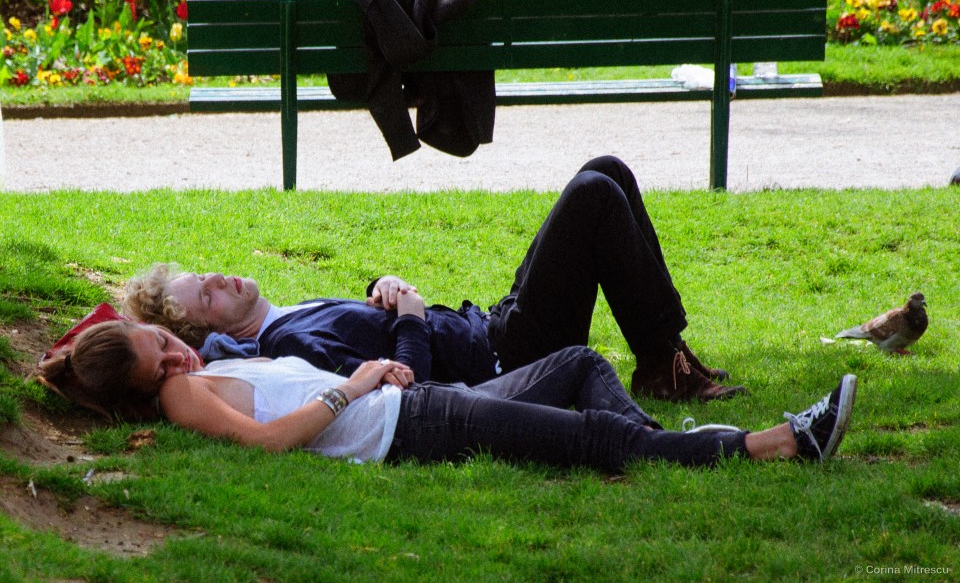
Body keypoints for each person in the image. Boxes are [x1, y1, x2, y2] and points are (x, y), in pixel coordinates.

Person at [122, 156, 745, 402]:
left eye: (206, 275)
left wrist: (385, 284)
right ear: (212, 333)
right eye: (208, 295)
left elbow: (364, 325)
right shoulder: (287, 345)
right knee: (594, 194)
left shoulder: (287, 316)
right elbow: (400, 387)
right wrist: (413, 318)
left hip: (492, 323)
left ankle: (665, 355)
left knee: (607, 171)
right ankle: (663, 364)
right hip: (506, 359)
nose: (221, 278)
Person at [36, 313, 858, 470]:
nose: (176, 349)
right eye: (161, 357)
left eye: (159, 336)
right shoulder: (181, 398)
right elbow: (265, 441)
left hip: (419, 398)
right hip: (413, 426)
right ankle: (783, 442)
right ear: (152, 385)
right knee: (588, 435)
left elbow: (96, 336)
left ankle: (659, 447)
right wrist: (353, 386)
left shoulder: (187, 368)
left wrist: (68, 360)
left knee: (578, 362)